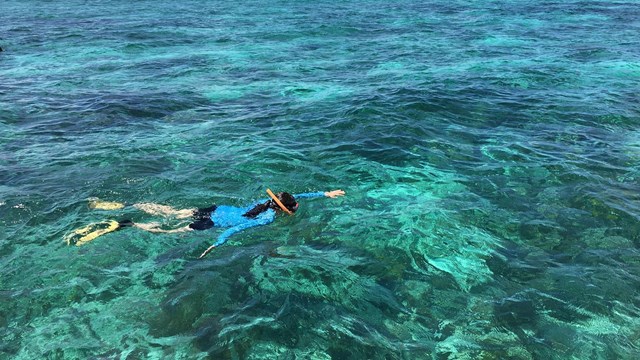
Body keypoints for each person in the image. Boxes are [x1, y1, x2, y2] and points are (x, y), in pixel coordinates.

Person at [67, 189, 345, 258]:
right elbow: (237, 228)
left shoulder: (264, 203)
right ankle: (128, 224)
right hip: (214, 223)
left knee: (172, 211)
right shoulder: (268, 217)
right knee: (168, 231)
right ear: (285, 210)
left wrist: (325, 193)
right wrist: (216, 243)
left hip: (216, 208)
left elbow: (299, 195)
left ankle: (126, 203)